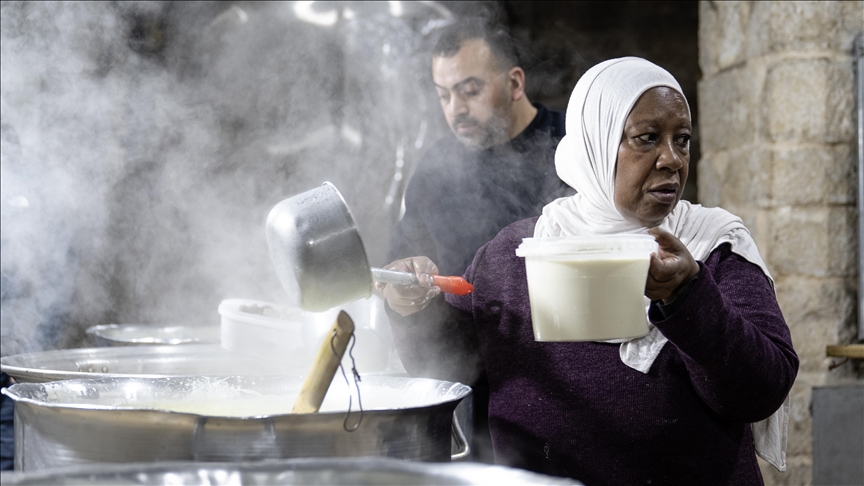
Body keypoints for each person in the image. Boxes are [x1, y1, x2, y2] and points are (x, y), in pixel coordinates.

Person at [379, 58, 798, 485]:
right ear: (595, 143)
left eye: (683, 140)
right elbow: (451, 368)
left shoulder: (712, 246)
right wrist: (412, 307)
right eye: (647, 138)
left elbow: (760, 391)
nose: (672, 159)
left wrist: (688, 295)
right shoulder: (517, 255)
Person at [387, 20, 574, 463]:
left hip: (572, 399)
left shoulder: (575, 151)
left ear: (515, 84)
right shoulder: (435, 172)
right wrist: (402, 295)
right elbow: (401, 276)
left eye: (469, 90)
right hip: (473, 406)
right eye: (443, 95)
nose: (456, 109)